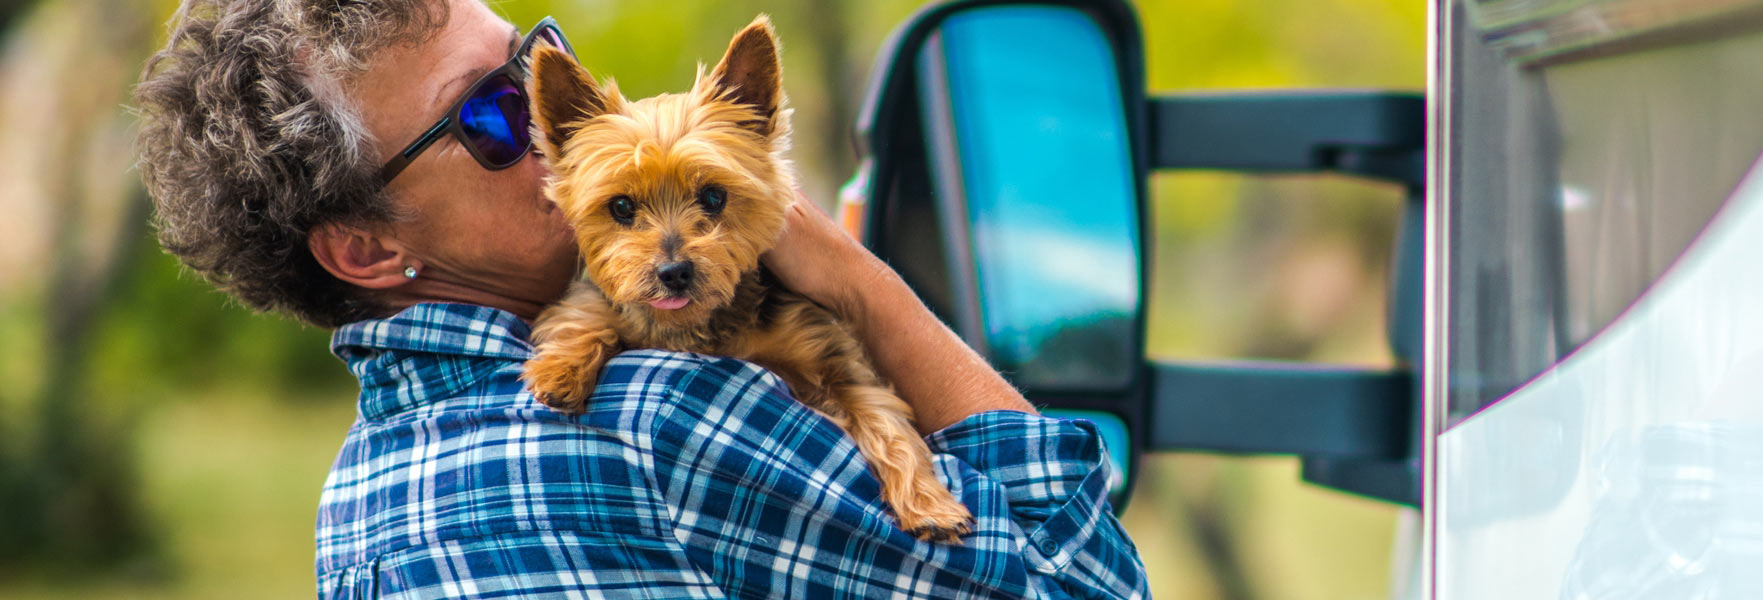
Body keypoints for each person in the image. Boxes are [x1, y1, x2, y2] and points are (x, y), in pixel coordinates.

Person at [133, 0, 1149, 597]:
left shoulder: (355, 501)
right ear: (365, 247)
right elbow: (1089, 583)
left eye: (539, 63)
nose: (554, 125)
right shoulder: (658, 419)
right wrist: (858, 280)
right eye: (493, 115)